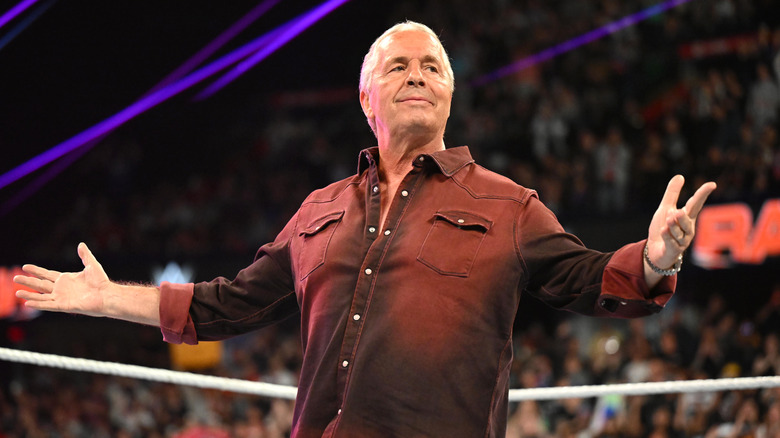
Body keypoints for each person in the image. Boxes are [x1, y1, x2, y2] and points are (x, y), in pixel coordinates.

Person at [15, 21, 717, 437]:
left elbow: (594, 282)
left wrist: (655, 258)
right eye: (398, 66)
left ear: (449, 92)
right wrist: (106, 299)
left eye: (432, 66)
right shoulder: (319, 210)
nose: (417, 76)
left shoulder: (510, 204)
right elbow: (223, 304)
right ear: (365, 95)